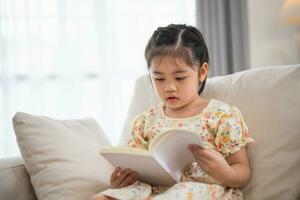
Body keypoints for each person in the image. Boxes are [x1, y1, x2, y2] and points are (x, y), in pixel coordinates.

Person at [91, 24, 254, 200]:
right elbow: (137, 164)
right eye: (159, 78)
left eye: (180, 78)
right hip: (149, 189)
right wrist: (122, 182)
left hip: (199, 191)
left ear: (202, 72)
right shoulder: (146, 121)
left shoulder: (221, 116)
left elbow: (242, 170)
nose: (169, 87)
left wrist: (225, 172)